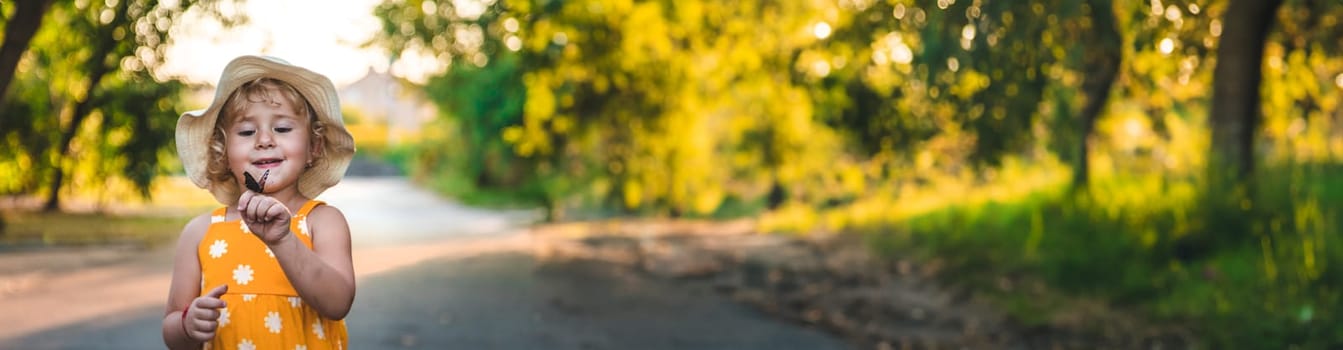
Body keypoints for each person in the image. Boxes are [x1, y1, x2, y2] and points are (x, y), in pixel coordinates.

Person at [162, 55, 357, 350]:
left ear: (313, 148)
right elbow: (172, 330)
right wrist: (188, 326)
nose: (264, 139)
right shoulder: (201, 232)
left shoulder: (321, 221)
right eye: (246, 132)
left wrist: (282, 241)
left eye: (282, 129)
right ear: (222, 152)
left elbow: (338, 302)